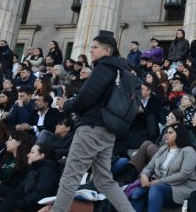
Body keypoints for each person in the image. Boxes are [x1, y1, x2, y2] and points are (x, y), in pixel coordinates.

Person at [50, 30, 136, 212]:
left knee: (70, 177)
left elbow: (86, 96)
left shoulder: (104, 68)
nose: (91, 51)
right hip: (106, 131)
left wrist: (67, 104)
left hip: (91, 128)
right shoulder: (119, 69)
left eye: (95, 48)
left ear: (107, 51)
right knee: (104, 180)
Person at [129, 124, 196, 212]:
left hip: (178, 189)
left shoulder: (188, 151)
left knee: (156, 188)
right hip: (157, 186)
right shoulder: (163, 148)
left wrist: (159, 182)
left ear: (179, 135)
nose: (166, 135)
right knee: (136, 195)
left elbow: (183, 175)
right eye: (166, 132)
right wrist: (144, 175)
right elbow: (149, 166)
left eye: (170, 133)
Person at [0, 144, 58, 212]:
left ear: (41, 155)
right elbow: (21, 187)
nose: (28, 154)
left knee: (14, 194)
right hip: (22, 197)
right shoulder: (34, 167)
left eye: (32, 152)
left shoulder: (47, 170)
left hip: (34, 203)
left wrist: (20, 203)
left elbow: (40, 193)